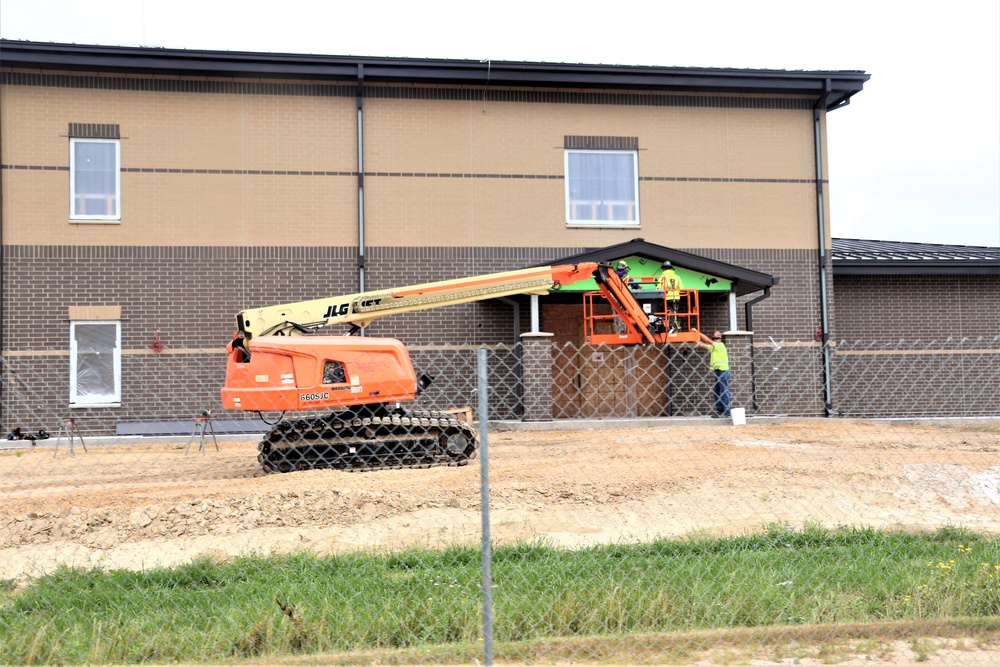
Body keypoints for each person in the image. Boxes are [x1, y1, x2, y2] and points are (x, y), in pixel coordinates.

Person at [695, 329, 731, 418]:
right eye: (714, 339)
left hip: (723, 371)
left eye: (716, 338)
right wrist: (693, 336)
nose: (715, 341)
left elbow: (707, 341)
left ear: (720, 339)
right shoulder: (714, 347)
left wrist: (698, 332)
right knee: (717, 392)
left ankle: (726, 412)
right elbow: (701, 344)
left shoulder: (720, 345)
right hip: (719, 372)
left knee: (723, 392)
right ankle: (720, 411)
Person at [660, 261, 684, 332]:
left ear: (663, 269)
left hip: (667, 298)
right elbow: (681, 288)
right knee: (675, 313)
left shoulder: (662, 277)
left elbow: (659, 288)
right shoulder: (677, 277)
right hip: (676, 297)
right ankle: (677, 327)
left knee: (669, 313)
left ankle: (671, 328)